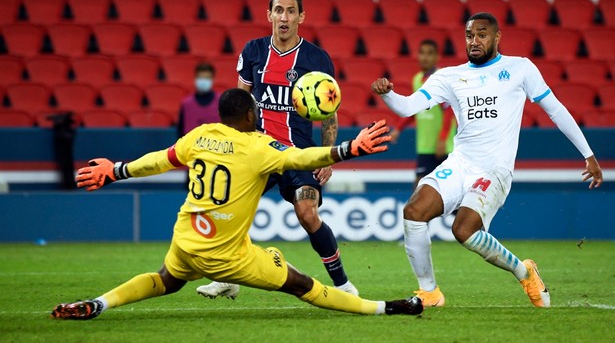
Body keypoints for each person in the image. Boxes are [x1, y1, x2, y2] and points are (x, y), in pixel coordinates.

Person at [51, 88, 423, 320]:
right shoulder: (259, 146)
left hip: (186, 239)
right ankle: (384, 307)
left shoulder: (199, 136)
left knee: (166, 280)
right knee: (302, 284)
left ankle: (100, 303)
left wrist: (116, 170)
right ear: (249, 115)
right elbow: (301, 159)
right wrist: (348, 149)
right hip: (226, 257)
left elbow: (159, 160)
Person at [371, 13, 603, 308]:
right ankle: (429, 292)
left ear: (497, 37)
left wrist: (588, 155)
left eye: (482, 34)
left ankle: (524, 271)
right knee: (413, 211)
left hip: (495, 169)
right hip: (460, 163)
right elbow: (407, 108)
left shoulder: (520, 69)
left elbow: (555, 110)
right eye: (469, 35)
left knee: (463, 231)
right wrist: (389, 94)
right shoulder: (449, 76)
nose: (475, 41)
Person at [198, 0, 358, 298]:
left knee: (308, 213)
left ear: (301, 17)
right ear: (269, 15)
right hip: (257, 152)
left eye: (290, 11)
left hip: (298, 155)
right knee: (226, 211)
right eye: (279, 11)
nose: (284, 17)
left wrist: (326, 157)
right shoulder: (254, 51)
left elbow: (329, 114)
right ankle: (226, 276)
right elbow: (238, 105)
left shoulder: (316, 58)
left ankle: (344, 286)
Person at [389, 39, 456, 188]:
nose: (425, 57)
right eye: (422, 53)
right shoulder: (417, 79)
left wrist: (442, 139)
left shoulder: (440, 78)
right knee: (420, 190)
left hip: (443, 146)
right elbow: (415, 108)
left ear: (437, 57)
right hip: (425, 146)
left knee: (448, 192)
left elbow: (449, 110)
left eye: (430, 54)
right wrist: (398, 129)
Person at [177, 62, 220, 137]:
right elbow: (180, 132)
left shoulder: (221, 102)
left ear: (213, 79)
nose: (203, 81)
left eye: (207, 78)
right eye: (200, 78)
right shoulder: (186, 104)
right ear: (195, 79)